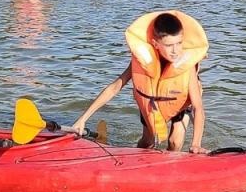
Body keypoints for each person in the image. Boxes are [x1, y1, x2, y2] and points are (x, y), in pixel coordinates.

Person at [70, 10, 208, 153]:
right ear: (155, 43)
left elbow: (198, 108)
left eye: (179, 43)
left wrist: (196, 143)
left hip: (180, 103)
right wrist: (83, 118)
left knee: (175, 142)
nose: (175, 51)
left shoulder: (187, 66)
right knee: (147, 143)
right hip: (151, 98)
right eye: (168, 45)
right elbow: (115, 87)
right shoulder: (142, 61)